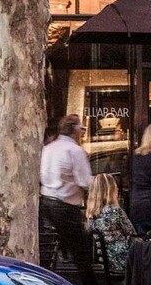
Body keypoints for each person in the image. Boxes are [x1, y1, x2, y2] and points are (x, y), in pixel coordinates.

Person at [40, 114, 97, 285]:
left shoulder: (49, 148)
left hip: (46, 203)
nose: (82, 131)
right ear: (74, 129)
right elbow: (84, 181)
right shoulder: (75, 150)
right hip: (64, 206)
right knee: (82, 254)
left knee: (52, 251)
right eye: (81, 128)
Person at [85, 173, 133, 273]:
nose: (117, 189)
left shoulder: (91, 215)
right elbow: (132, 234)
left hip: (104, 263)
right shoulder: (115, 211)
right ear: (109, 190)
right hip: (123, 262)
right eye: (115, 186)